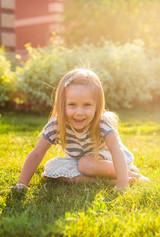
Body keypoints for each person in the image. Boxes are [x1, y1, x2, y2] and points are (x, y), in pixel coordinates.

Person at [16, 68, 149, 191]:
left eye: (87, 105)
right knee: (51, 169)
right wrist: (22, 183)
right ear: (62, 105)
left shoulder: (101, 121)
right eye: (72, 105)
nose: (79, 112)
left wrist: (122, 184)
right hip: (80, 161)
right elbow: (37, 154)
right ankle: (106, 181)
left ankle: (132, 176)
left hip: (109, 159)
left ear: (97, 106)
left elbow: (116, 149)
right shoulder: (56, 124)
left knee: (85, 164)